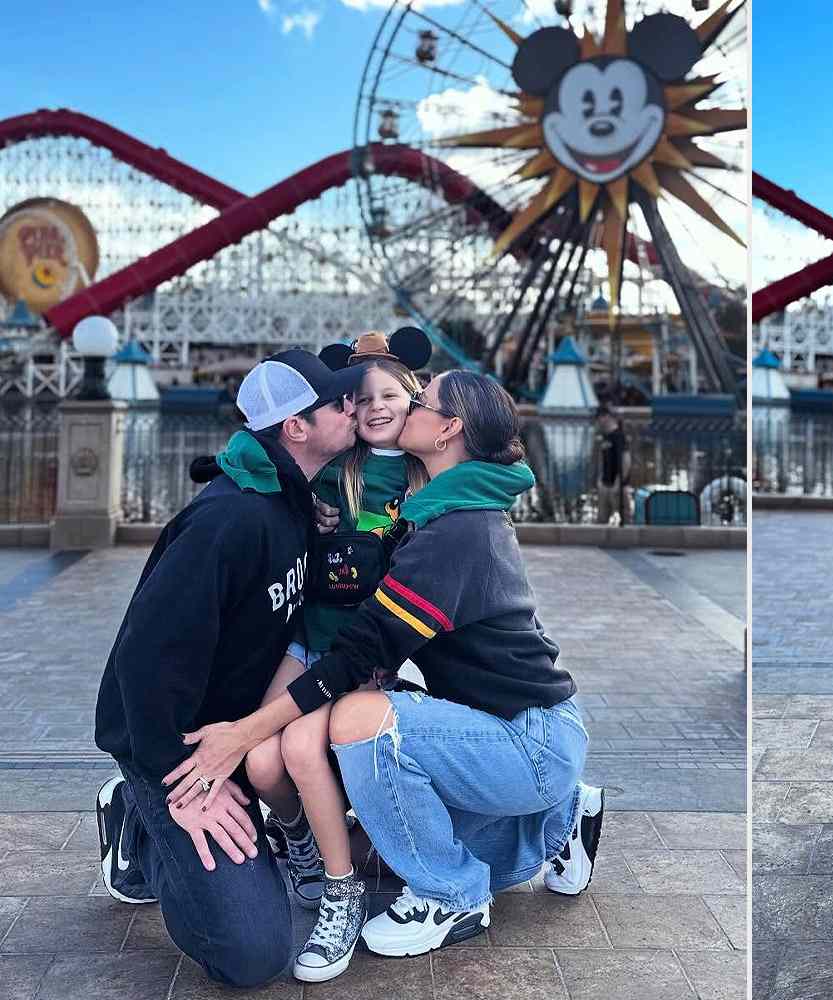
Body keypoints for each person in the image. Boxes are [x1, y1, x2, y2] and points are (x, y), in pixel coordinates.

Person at [159, 370, 605, 963]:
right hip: (515, 724)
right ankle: (561, 817)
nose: (407, 407)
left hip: (529, 742)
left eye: (420, 402)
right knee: (371, 846)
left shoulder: (457, 531)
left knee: (359, 721)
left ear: (448, 430)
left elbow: (356, 655)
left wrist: (242, 734)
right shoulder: (448, 510)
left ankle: (452, 897)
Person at [93, 349, 360, 987]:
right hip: (177, 748)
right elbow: (141, 660)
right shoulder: (227, 520)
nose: (352, 407)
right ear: (296, 427)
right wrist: (177, 785)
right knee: (251, 956)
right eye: (337, 402)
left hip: (232, 732)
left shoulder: (291, 501)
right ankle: (139, 815)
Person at [240, 330, 434, 982]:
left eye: (388, 396)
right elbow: (277, 480)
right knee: (260, 760)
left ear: (413, 398)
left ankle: (341, 888)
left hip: (368, 654)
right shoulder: (335, 469)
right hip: (310, 638)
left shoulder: (423, 479)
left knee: (298, 749)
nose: (373, 407)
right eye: (360, 398)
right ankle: (302, 840)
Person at [596, 403, 631, 525]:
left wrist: (619, 481)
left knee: (625, 519)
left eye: (599, 418)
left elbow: (626, 460)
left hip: (618, 485)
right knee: (601, 519)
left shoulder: (619, 436)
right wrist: (600, 479)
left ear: (606, 417)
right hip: (605, 484)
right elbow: (603, 459)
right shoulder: (605, 436)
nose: (598, 422)